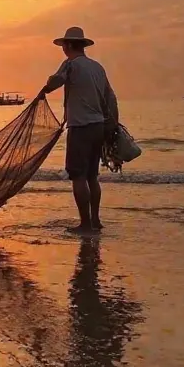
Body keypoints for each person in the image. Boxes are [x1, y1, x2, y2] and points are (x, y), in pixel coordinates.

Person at [38, 26, 118, 233]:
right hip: (98, 126)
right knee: (92, 176)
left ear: (70, 45)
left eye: (64, 44)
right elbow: (111, 97)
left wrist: (45, 89)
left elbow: (56, 82)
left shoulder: (71, 65)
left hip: (80, 127)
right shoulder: (97, 67)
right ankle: (95, 220)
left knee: (78, 176)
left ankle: (84, 224)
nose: (63, 48)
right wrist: (112, 125)